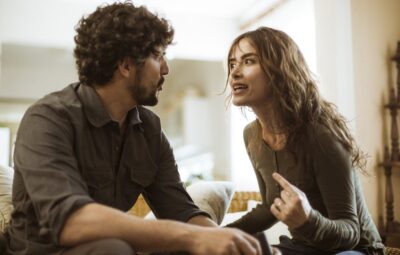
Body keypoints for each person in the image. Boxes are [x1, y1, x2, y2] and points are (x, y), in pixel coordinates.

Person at [6, 2, 263, 255]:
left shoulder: (149, 129)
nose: (166, 69)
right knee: (116, 249)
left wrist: (225, 240)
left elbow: (181, 212)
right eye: (158, 56)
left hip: (109, 246)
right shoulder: (48, 119)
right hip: (47, 250)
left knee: (230, 244)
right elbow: (71, 222)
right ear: (126, 66)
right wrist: (192, 238)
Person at [224, 27, 385, 255]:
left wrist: (307, 220)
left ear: (278, 71)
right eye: (232, 64)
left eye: (248, 61)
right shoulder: (251, 135)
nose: (234, 73)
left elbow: (351, 231)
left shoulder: (321, 135)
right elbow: (270, 206)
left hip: (356, 250)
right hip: (302, 249)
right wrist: (218, 235)